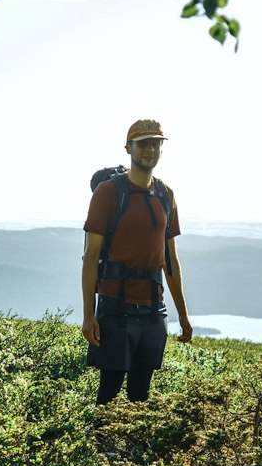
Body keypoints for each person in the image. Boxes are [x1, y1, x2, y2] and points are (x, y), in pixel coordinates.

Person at [82, 118, 193, 405]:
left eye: (156, 143)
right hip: (114, 308)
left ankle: (131, 450)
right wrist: (88, 315)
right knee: (108, 392)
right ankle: (100, 449)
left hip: (154, 310)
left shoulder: (166, 194)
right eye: (143, 144)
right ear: (128, 148)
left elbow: (170, 259)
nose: (150, 149)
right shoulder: (109, 193)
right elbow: (91, 257)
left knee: (140, 397)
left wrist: (183, 314)